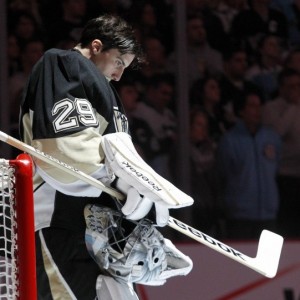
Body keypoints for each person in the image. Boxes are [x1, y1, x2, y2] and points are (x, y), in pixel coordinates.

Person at [19, 14, 193, 299]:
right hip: (57, 224)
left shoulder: (105, 92)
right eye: (119, 63)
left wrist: (134, 225)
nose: (119, 75)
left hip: (94, 234)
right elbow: (62, 150)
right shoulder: (64, 63)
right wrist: (121, 180)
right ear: (97, 46)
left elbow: (116, 162)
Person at [217, 91, 281, 240]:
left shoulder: (272, 137)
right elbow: (223, 173)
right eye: (252, 106)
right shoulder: (230, 140)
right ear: (241, 110)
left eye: (259, 106)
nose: (257, 110)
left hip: (268, 213)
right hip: (240, 215)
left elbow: (276, 169)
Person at [262, 68, 300, 238]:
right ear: (282, 88)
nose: (296, 90)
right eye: (291, 86)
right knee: (287, 223)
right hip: (283, 175)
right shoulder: (272, 108)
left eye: (298, 86)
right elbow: (277, 134)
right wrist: (292, 106)